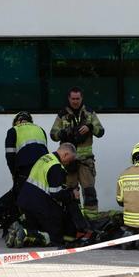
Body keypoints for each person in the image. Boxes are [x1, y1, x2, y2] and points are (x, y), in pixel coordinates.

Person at [8, 143, 91, 247]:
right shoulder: (56, 167)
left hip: (25, 202)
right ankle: (26, 234)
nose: (70, 162)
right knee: (56, 238)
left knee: (40, 228)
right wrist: (72, 194)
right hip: (38, 205)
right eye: (70, 159)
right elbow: (56, 194)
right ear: (65, 154)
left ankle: (20, 231)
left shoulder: (45, 158)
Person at [50, 87, 105, 219]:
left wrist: (90, 127)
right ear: (69, 99)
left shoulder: (89, 113)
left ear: (82, 98)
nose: (75, 101)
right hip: (69, 162)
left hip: (86, 161)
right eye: (73, 99)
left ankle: (92, 219)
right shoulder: (62, 114)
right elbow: (53, 134)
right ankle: (75, 220)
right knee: (70, 193)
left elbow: (101, 131)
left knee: (89, 192)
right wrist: (63, 133)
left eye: (77, 99)